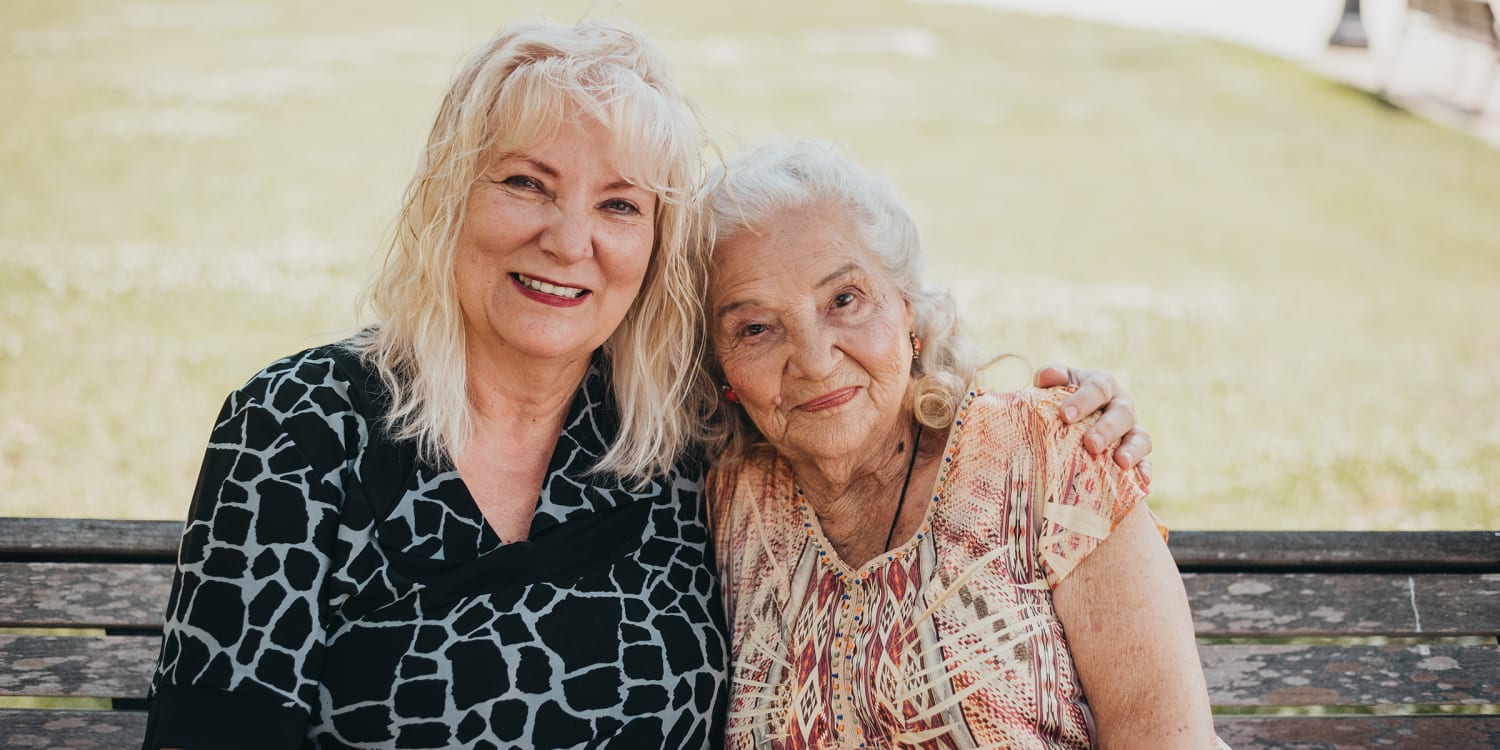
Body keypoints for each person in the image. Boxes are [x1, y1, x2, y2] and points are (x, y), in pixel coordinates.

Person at [142, 20, 1152, 750]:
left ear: (653, 247)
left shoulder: (672, 440)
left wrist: (1063, 417)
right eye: (525, 182)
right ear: (452, 196)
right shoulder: (297, 428)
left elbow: (854, 385)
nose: (569, 240)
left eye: (618, 204)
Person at [699, 140, 1227, 749]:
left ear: (909, 311)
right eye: (756, 328)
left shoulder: (1046, 456)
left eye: (844, 300)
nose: (815, 362)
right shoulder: (721, 504)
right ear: (722, 370)